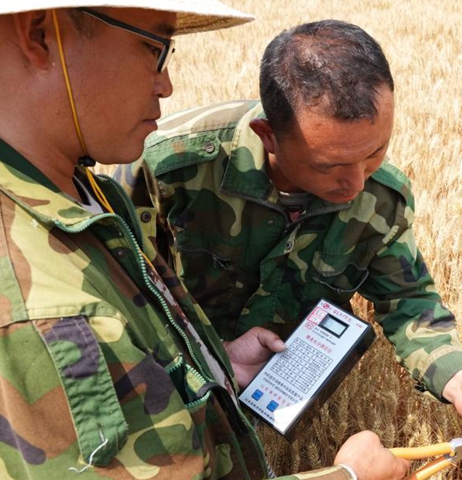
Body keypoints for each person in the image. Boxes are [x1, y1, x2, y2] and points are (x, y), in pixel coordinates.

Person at [0, 2, 408, 479]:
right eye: (153, 48)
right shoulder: (48, 311)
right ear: (40, 36)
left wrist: (211, 364)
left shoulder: (85, 196)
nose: (166, 83)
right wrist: (349, 478)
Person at [118, 19, 462, 455]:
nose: (357, 184)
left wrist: (461, 381)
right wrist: (205, 360)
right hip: (170, 389)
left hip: (280, 400)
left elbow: (408, 300)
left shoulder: (381, 198)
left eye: (375, 152)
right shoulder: (169, 167)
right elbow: (119, 292)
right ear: (268, 137)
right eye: (329, 166)